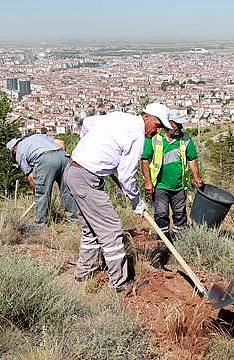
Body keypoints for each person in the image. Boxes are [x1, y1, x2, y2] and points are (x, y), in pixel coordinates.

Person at [64, 103, 171, 291]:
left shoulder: (121, 117)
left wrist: (88, 148)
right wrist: (137, 202)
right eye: (157, 126)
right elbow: (127, 176)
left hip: (74, 170)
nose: (158, 131)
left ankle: (84, 272)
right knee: (112, 230)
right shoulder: (137, 137)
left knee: (91, 229)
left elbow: (88, 123)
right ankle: (120, 284)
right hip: (86, 177)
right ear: (147, 117)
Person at [141, 109, 203, 241]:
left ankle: (179, 240)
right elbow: (145, 159)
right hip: (160, 186)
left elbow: (192, 159)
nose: (180, 128)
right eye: (177, 125)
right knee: (161, 214)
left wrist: (197, 177)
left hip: (179, 186)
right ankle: (164, 241)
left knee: (180, 214)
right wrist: (148, 182)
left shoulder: (185, 139)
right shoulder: (155, 139)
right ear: (168, 124)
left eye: (180, 125)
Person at [6, 134, 77, 225]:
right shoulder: (36, 136)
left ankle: (40, 224)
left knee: (43, 193)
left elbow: (31, 177)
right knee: (67, 191)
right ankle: (73, 221)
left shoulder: (19, 152)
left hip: (45, 159)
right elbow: (60, 142)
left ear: (13, 150)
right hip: (63, 156)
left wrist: (36, 192)